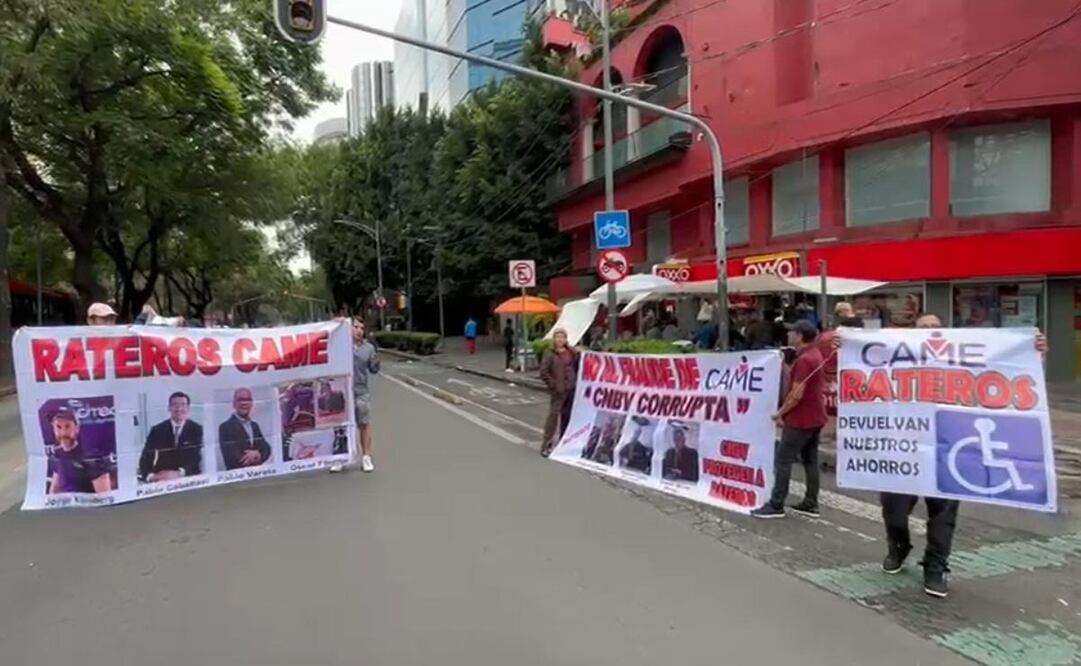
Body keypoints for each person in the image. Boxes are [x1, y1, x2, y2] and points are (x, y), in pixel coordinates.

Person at [835, 313, 1047, 599]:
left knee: (943, 516)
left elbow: (1009, 370)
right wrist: (843, 346)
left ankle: (935, 565)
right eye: (924, 328)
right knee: (894, 512)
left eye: (935, 328)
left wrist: (1034, 352)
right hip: (902, 449)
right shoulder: (896, 355)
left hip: (947, 448)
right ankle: (898, 546)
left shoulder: (961, 357)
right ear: (913, 332)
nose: (930, 332)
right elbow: (860, 366)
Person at [752, 320, 827, 519]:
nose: (788, 335)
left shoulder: (804, 360)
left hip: (801, 418)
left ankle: (776, 504)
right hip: (816, 416)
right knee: (811, 460)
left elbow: (797, 393)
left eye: (791, 332)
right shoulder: (814, 354)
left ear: (800, 336)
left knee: (783, 460)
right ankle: (811, 502)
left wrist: (781, 413)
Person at [331, 317, 380, 473]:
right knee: (341, 426)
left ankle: (366, 457)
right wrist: (336, 322)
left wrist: (376, 361)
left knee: (363, 424)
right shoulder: (338, 345)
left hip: (361, 391)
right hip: (342, 391)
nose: (359, 330)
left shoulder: (368, 348)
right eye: (356, 327)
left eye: (361, 328)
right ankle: (341, 457)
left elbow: (373, 370)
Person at [45, 407, 114, 495]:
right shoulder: (58, 454)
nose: (63, 433)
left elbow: (105, 498)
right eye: (58, 427)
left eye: (67, 426)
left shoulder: (93, 459)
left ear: (77, 428)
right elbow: (55, 489)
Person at [140, 392, 203, 482]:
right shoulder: (157, 430)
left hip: (188, 480)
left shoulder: (198, 430)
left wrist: (179, 473)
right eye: (174, 405)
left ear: (188, 408)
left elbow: (197, 458)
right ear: (169, 408)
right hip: (161, 480)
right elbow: (146, 457)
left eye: (183, 404)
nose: (179, 408)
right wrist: (151, 476)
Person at [539, 327, 578, 457]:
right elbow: (543, 372)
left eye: (563, 337)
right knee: (553, 417)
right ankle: (546, 445)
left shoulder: (571, 352)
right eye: (558, 337)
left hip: (571, 388)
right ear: (554, 339)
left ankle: (563, 442)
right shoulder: (550, 353)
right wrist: (553, 384)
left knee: (567, 416)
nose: (560, 340)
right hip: (558, 390)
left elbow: (577, 365)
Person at [219, 388, 272, 470]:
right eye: (240, 400)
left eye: (247, 400)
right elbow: (230, 456)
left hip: (257, 474)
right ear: (234, 404)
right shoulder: (225, 427)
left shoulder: (255, 425)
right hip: (237, 477)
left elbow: (266, 448)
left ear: (252, 404)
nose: (244, 403)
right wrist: (253, 458)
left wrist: (258, 454)